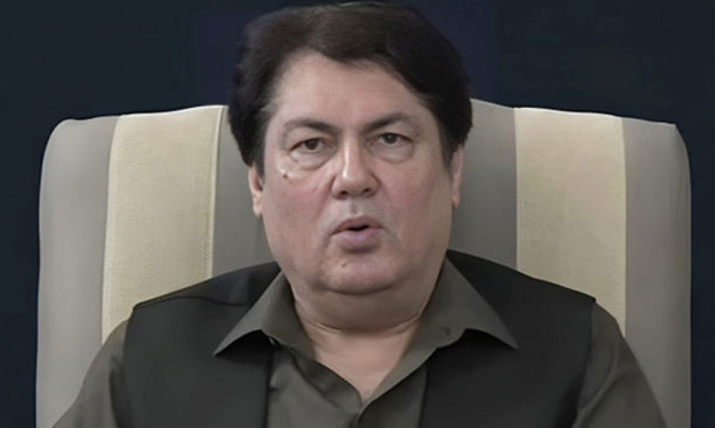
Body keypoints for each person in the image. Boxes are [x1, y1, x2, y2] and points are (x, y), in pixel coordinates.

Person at [54, 2, 664, 427]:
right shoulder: (149, 355)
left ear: (453, 169)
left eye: (390, 139)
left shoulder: (576, 352)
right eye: (311, 144)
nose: (352, 176)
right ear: (258, 182)